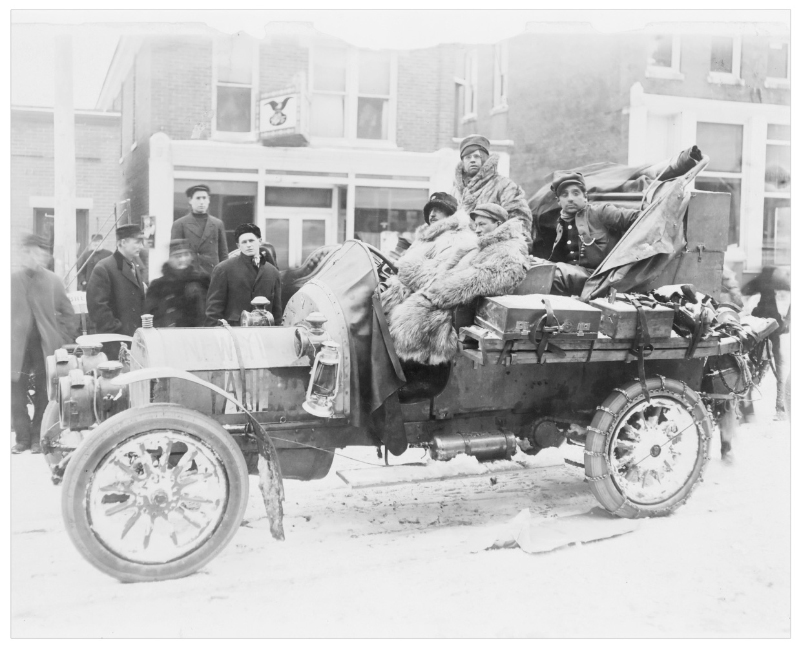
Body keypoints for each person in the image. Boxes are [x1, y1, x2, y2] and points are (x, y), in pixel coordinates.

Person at [388, 203, 528, 365]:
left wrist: (437, 294)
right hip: (452, 300)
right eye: (476, 225)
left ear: (498, 224)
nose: (477, 229)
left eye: (482, 224)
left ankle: (419, 367)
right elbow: (448, 270)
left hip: (464, 307)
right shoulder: (481, 245)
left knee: (416, 320)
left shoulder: (509, 249)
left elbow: (484, 278)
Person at [11, 234, 77, 454]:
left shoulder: (53, 281)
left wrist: (61, 339)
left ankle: (37, 437)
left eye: (37, 253)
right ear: (22, 254)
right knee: (16, 394)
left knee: (43, 392)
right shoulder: (10, 281)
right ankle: (21, 438)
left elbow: (68, 314)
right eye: (28, 252)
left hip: (44, 346)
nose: (33, 257)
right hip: (15, 348)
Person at [381, 192, 476, 325]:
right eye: (431, 210)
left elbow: (437, 279)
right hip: (401, 295)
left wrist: (404, 269)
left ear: (451, 213)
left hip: (431, 309)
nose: (432, 214)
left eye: (439, 209)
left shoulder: (457, 238)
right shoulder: (427, 237)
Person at [547, 170, 640, 296]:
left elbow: (638, 218)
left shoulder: (601, 212)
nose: (570, 199)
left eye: (576, 193)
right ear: (558, 201)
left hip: (598, 279)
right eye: (564, 195)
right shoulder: (561, 224)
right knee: (533, 266)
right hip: (572, 281)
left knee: (553, 273)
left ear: (585, 196)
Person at [453, 134, 533, 250]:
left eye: (477, 156)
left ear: (486, 159)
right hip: (460, 252)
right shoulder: (456, 192)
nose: (473, 160)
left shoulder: (505, 186)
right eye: (468, 157)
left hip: (494, 250)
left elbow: (520, 223)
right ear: (463, 162)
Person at [86, 224, 147, 358]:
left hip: (133, 342)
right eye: (137, 242)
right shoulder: (104, 268)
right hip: (114, 345)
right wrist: (118, 330)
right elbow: (97, 308)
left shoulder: (134, 267)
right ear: (123, 242)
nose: (141, 246)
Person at [205, 223, 282, 326]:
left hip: (264, 332)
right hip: (233, 332)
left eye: (251, 241)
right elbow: (213, 310)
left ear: (259, 241)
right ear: (238, 245)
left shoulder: (272, 272)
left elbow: (277, 312)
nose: (248, 245)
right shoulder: (224, 269)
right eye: (244, 242)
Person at [742, 266, 791, 419]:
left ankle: (748, 409)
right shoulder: (779, 286)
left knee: (750, 367)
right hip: (773, 332)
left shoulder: (761, 284)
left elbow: (745, 290)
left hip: (760, 331)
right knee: (779, 368)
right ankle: (780, 408)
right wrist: (786, 322)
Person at [144, 239, 210, 328]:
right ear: (169, 259)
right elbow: (151, 315)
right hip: (169, 335)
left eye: (186, 255)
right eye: (177, 256)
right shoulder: (158, 286)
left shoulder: (202, 281)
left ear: (191, 257)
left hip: (197, 334)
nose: (183, 259)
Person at [171, 184, 228, 275]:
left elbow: (223, 255)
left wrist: (224, 277)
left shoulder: (217, 224)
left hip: (213, 276)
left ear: (208, 200)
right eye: (198, 198)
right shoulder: (180, 224)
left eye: (204, 198)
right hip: (190, 276)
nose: (202, 202)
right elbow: (175, 256)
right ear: (190, 200)